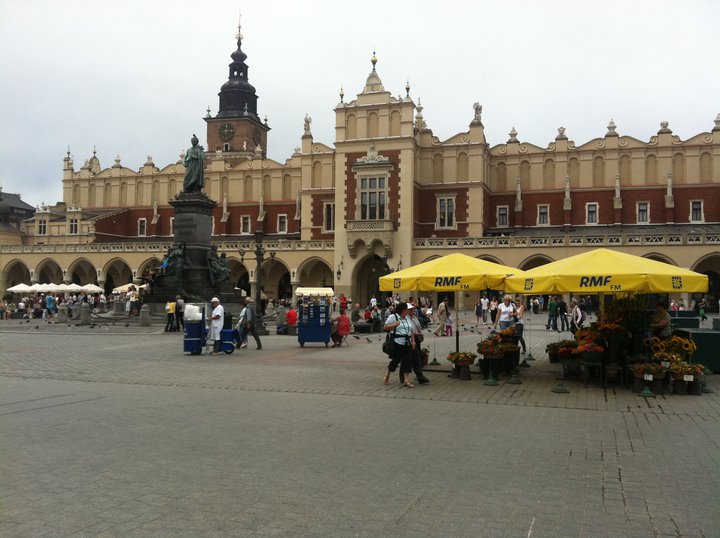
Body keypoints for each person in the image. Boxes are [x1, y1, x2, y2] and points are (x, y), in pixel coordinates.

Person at [383, 302, 415, 388]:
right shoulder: (393, 317)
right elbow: (385, 327)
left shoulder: (407, 318)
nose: (407, 311)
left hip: (407, 342)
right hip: (398, 342)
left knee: (407, 361)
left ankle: (406, 380)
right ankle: (387, 375)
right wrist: (394, 324)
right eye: (406, 310)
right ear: (402, 310)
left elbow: (411, 331)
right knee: (395, 361)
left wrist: (413, 341)